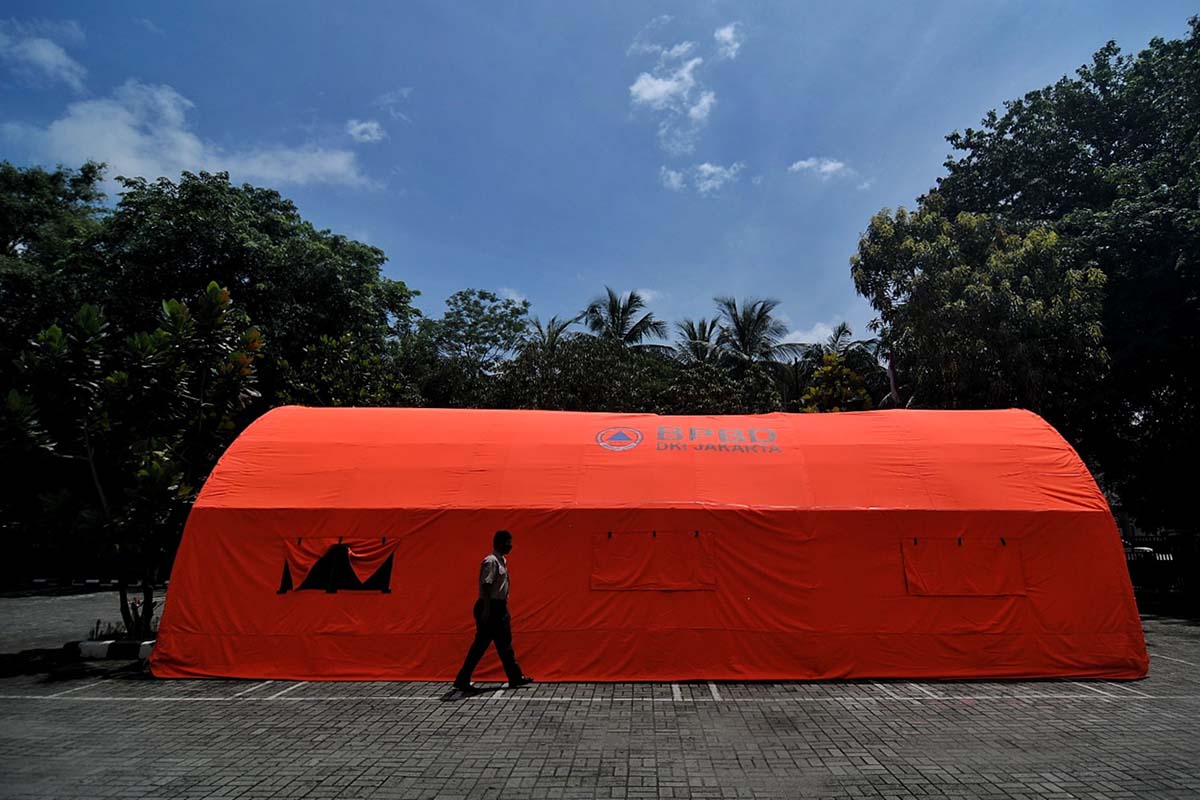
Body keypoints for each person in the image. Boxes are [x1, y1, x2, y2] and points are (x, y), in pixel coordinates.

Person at [453, 530, 534, 694]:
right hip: (491, 607)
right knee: (481, 645)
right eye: (508, 543)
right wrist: (487, 610)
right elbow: (486, 585)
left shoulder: (502, 561)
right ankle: (463, 679)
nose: (510, 546)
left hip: (499, 607)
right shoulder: (491, 562)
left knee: (504, 645)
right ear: (499, 543)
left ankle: (515, 677)